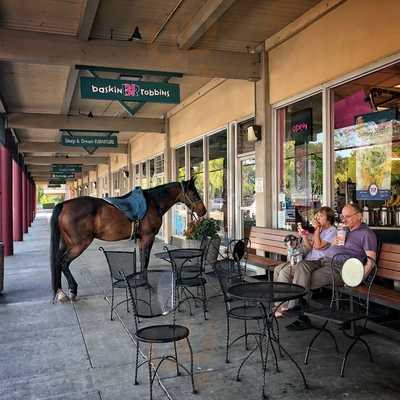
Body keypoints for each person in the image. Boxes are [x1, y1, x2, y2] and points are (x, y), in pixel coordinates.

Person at [285, 203, 377, 330]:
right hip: (324, 261)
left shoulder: (366, 233)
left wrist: (358, 279)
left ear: (359, 216)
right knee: (302, 266)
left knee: (305, 279)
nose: (343, 219)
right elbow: (323, 246)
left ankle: (300, 314)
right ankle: (296, 308)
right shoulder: (344, 230)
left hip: (340, 268)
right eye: (342, 216)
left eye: (347, 216)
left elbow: (371, 261)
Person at [274, 206, 337, 317]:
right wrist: (304, 236)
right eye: (317, 215)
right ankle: (280, 304)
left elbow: (318, 246)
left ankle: (287, 306)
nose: (317, 217)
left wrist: (316, 229)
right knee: (278, 269)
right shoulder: (321, 230)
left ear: (329, 219)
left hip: (318, 262)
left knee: (284, 272)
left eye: (321, 216)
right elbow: (310, 246)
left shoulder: (332, 231)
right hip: (309, 259)